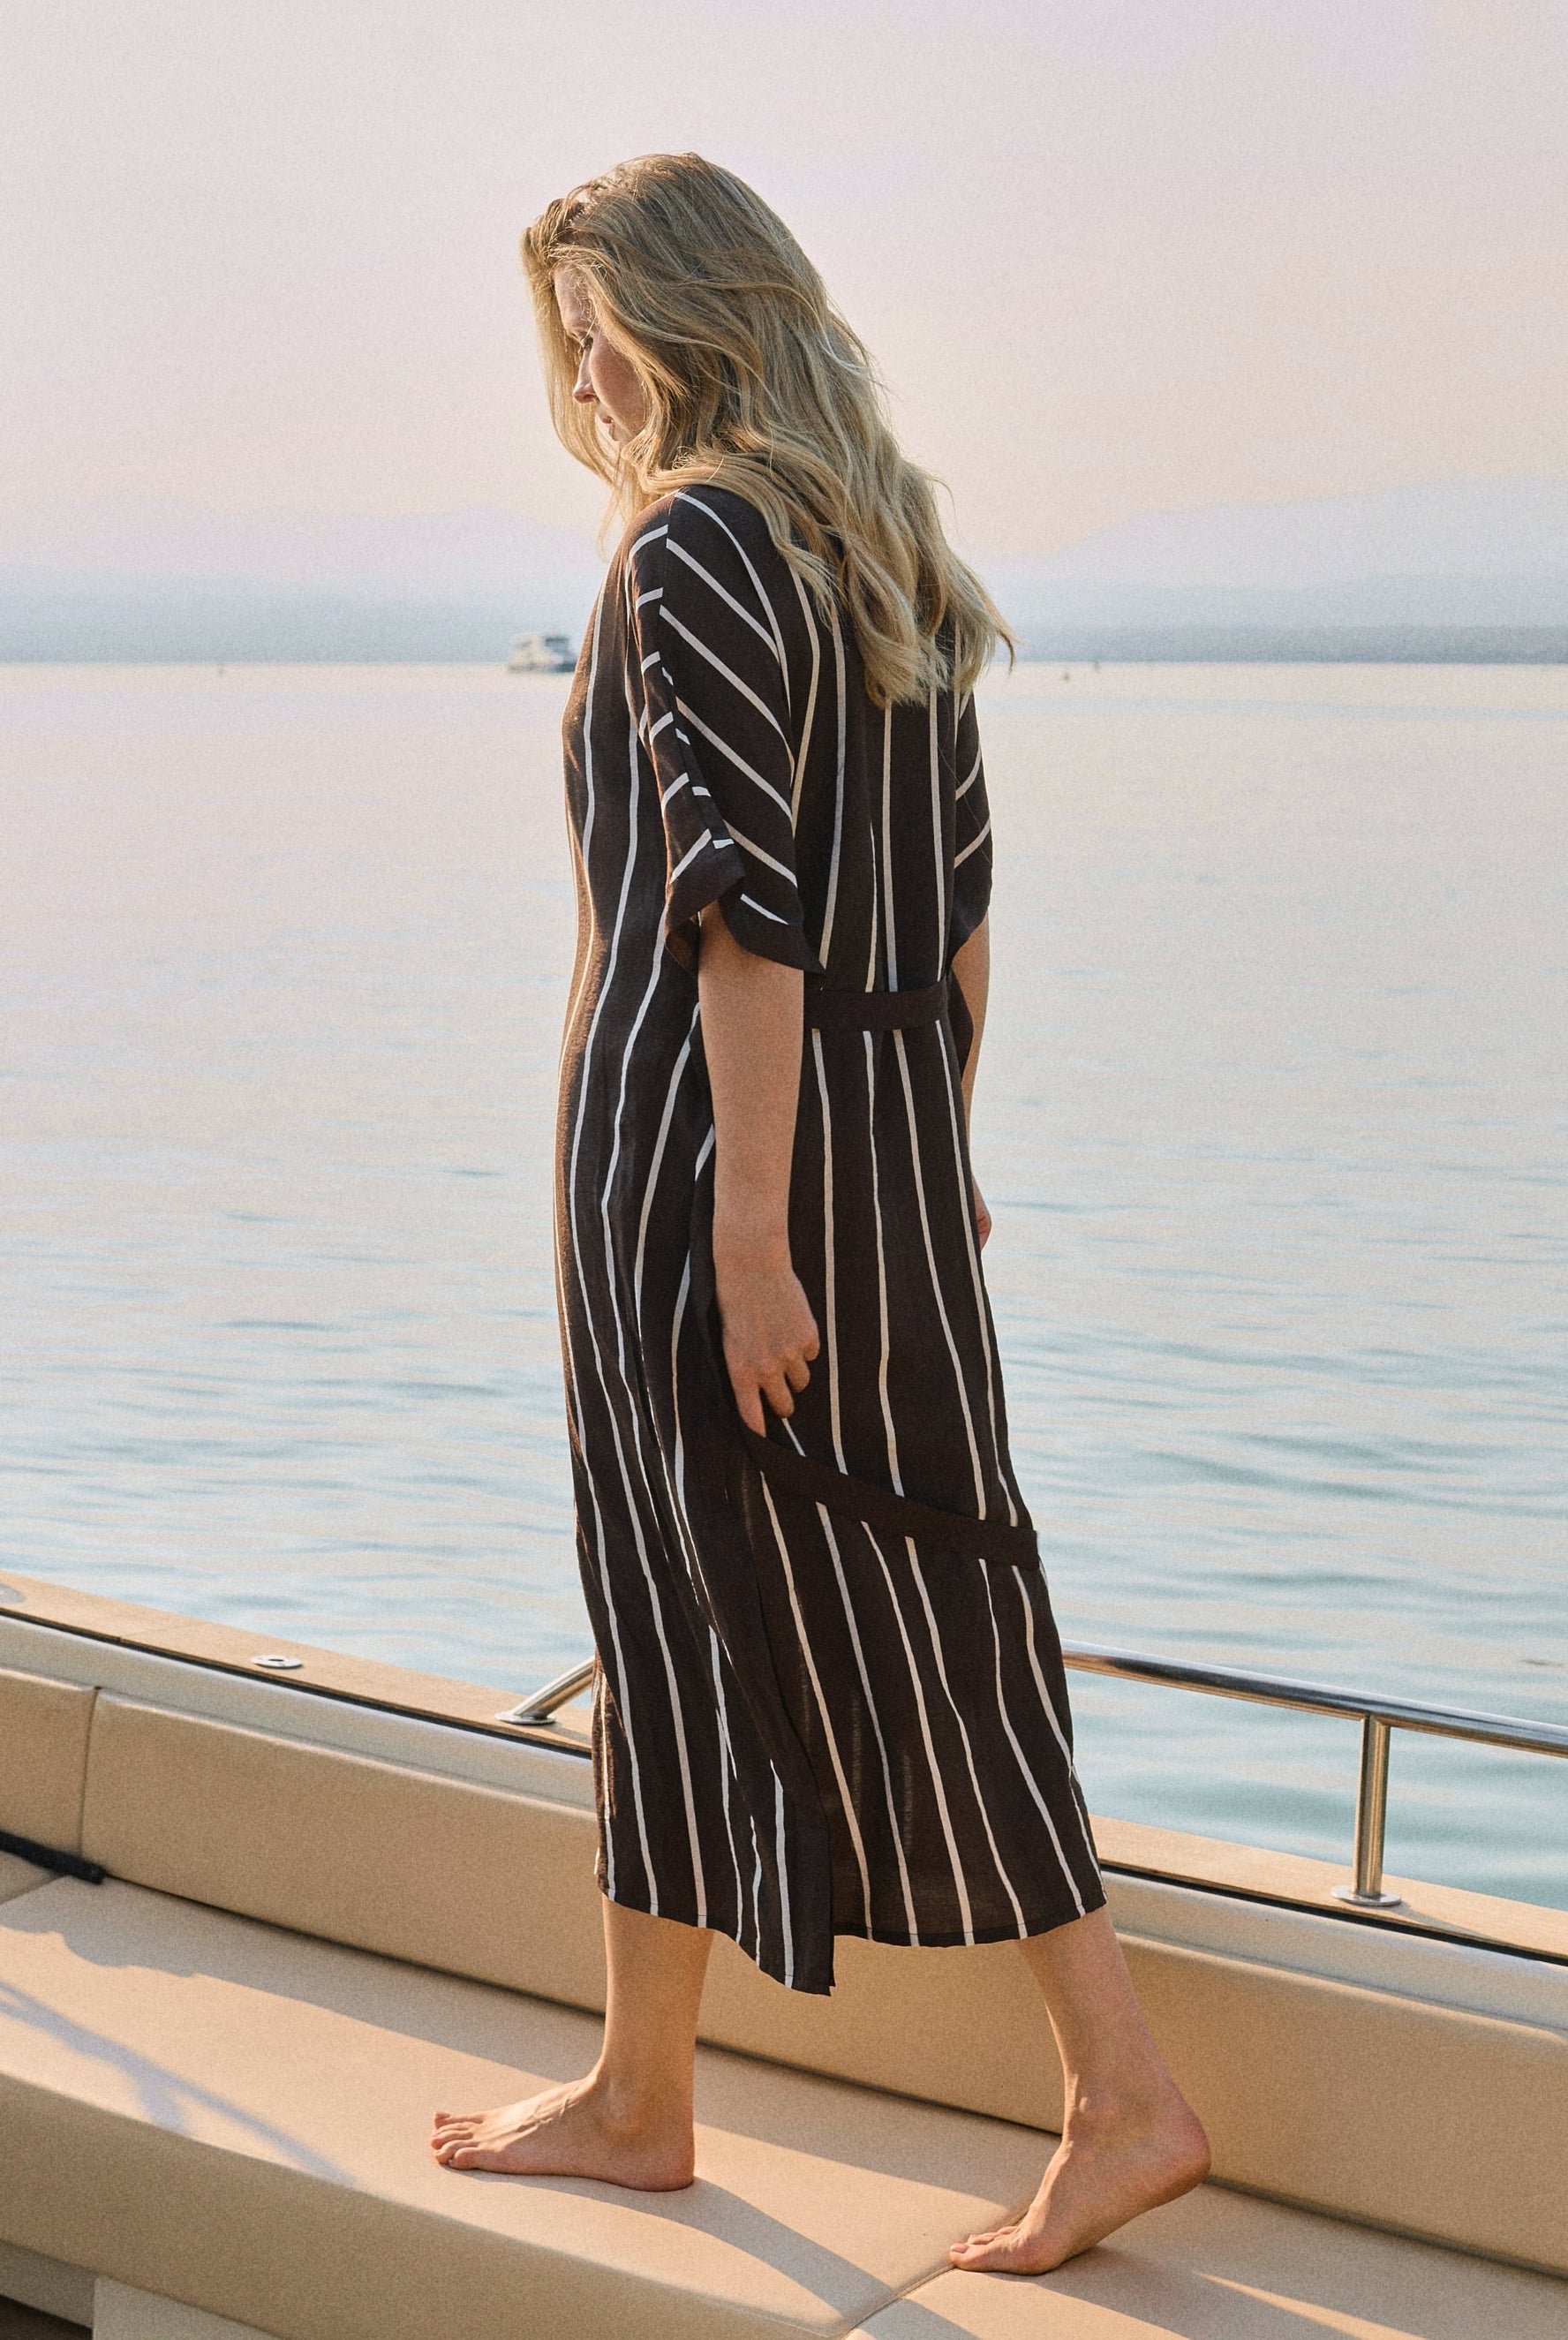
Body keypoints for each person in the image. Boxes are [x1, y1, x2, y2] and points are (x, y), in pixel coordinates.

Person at [430, 152, 1208, 2275]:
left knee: (699, 1592)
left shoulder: (688, 542)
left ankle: (1104, 2091)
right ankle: (649, 2087)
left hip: (699, 1162)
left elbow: (734, 923)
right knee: (911, 1588)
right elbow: (956, 932)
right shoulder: (880, 548)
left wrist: (754, 1237)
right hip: (885, 1151)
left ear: (689, 308)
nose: (578, 365)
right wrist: (927, 1176)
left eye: (593, 315)